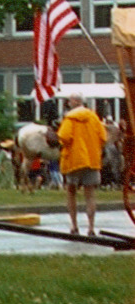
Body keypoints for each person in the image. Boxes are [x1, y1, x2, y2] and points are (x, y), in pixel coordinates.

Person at [57, 94, 106, 238]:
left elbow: (64, 137)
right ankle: (91, 227)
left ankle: (74, 226)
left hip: (74, 160)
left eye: (69, 101)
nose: (68, 103)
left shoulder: (70, 118)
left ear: (74, 102)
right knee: (90, 195)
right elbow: (103, 137)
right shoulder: (93, 117)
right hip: (91, 159)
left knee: (71, 192)